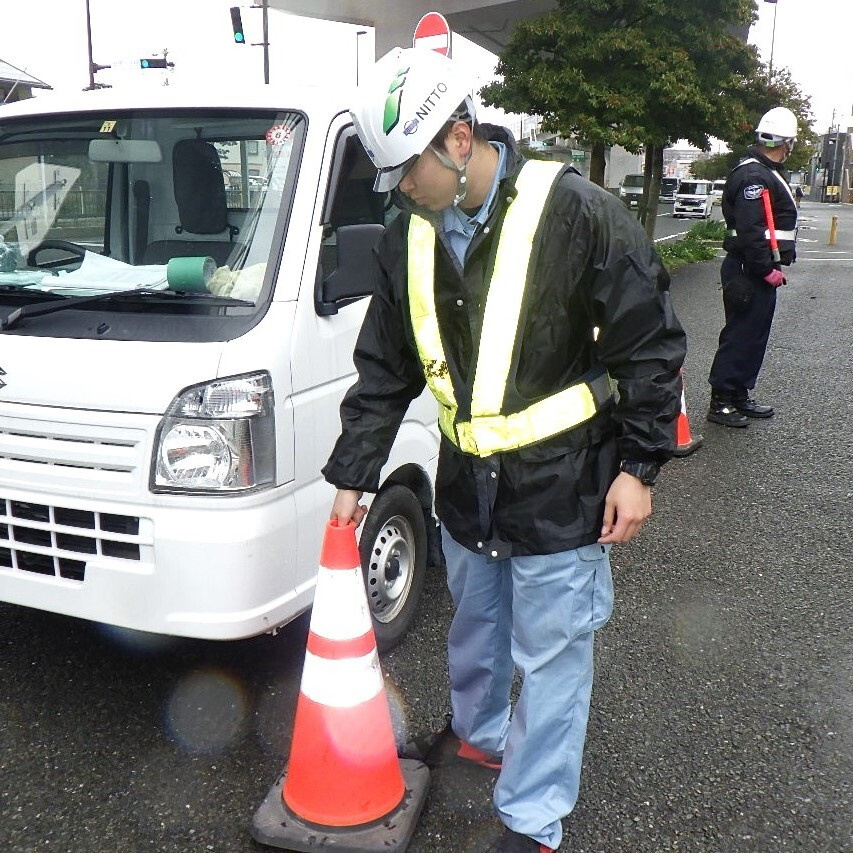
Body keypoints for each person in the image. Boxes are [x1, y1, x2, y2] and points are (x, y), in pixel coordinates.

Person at [321, 47, 686, 853]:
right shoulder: (405, 235)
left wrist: (638, 467)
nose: (400, 190)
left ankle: (531, 818)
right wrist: (354, 471)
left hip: (565, 484)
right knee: (475, 626)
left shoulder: (577, 212)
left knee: (552, 655)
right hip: (466, 487)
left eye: (405, 171)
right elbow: (385, 365)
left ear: (456, 140)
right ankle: (479, 733)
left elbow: (651, 346)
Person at [707, 106, 799, 427]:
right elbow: (752, 231)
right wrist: (766, 269)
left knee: (754, 334)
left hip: (755, 269)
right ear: (785, 143)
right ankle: (721, 402)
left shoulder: (762, 172)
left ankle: (738, 395)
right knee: (741, 334)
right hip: (749, 269)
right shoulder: (754, 177)